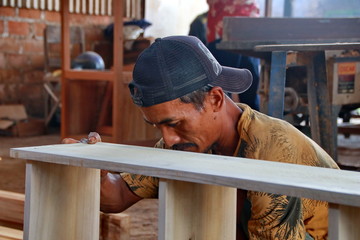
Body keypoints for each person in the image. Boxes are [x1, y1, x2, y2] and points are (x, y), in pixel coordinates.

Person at [69, 36, 338, 240]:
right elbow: (117, 196)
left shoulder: (273, 150)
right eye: (157, 126)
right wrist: (98, 174)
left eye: (174, 124)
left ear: (215, 99)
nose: (169, 140)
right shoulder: (186, 144)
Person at [189, 0, 261, 111]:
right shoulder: (200, 22)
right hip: (225, 37)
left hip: (245, 36)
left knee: (244, 90)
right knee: (224, 93)